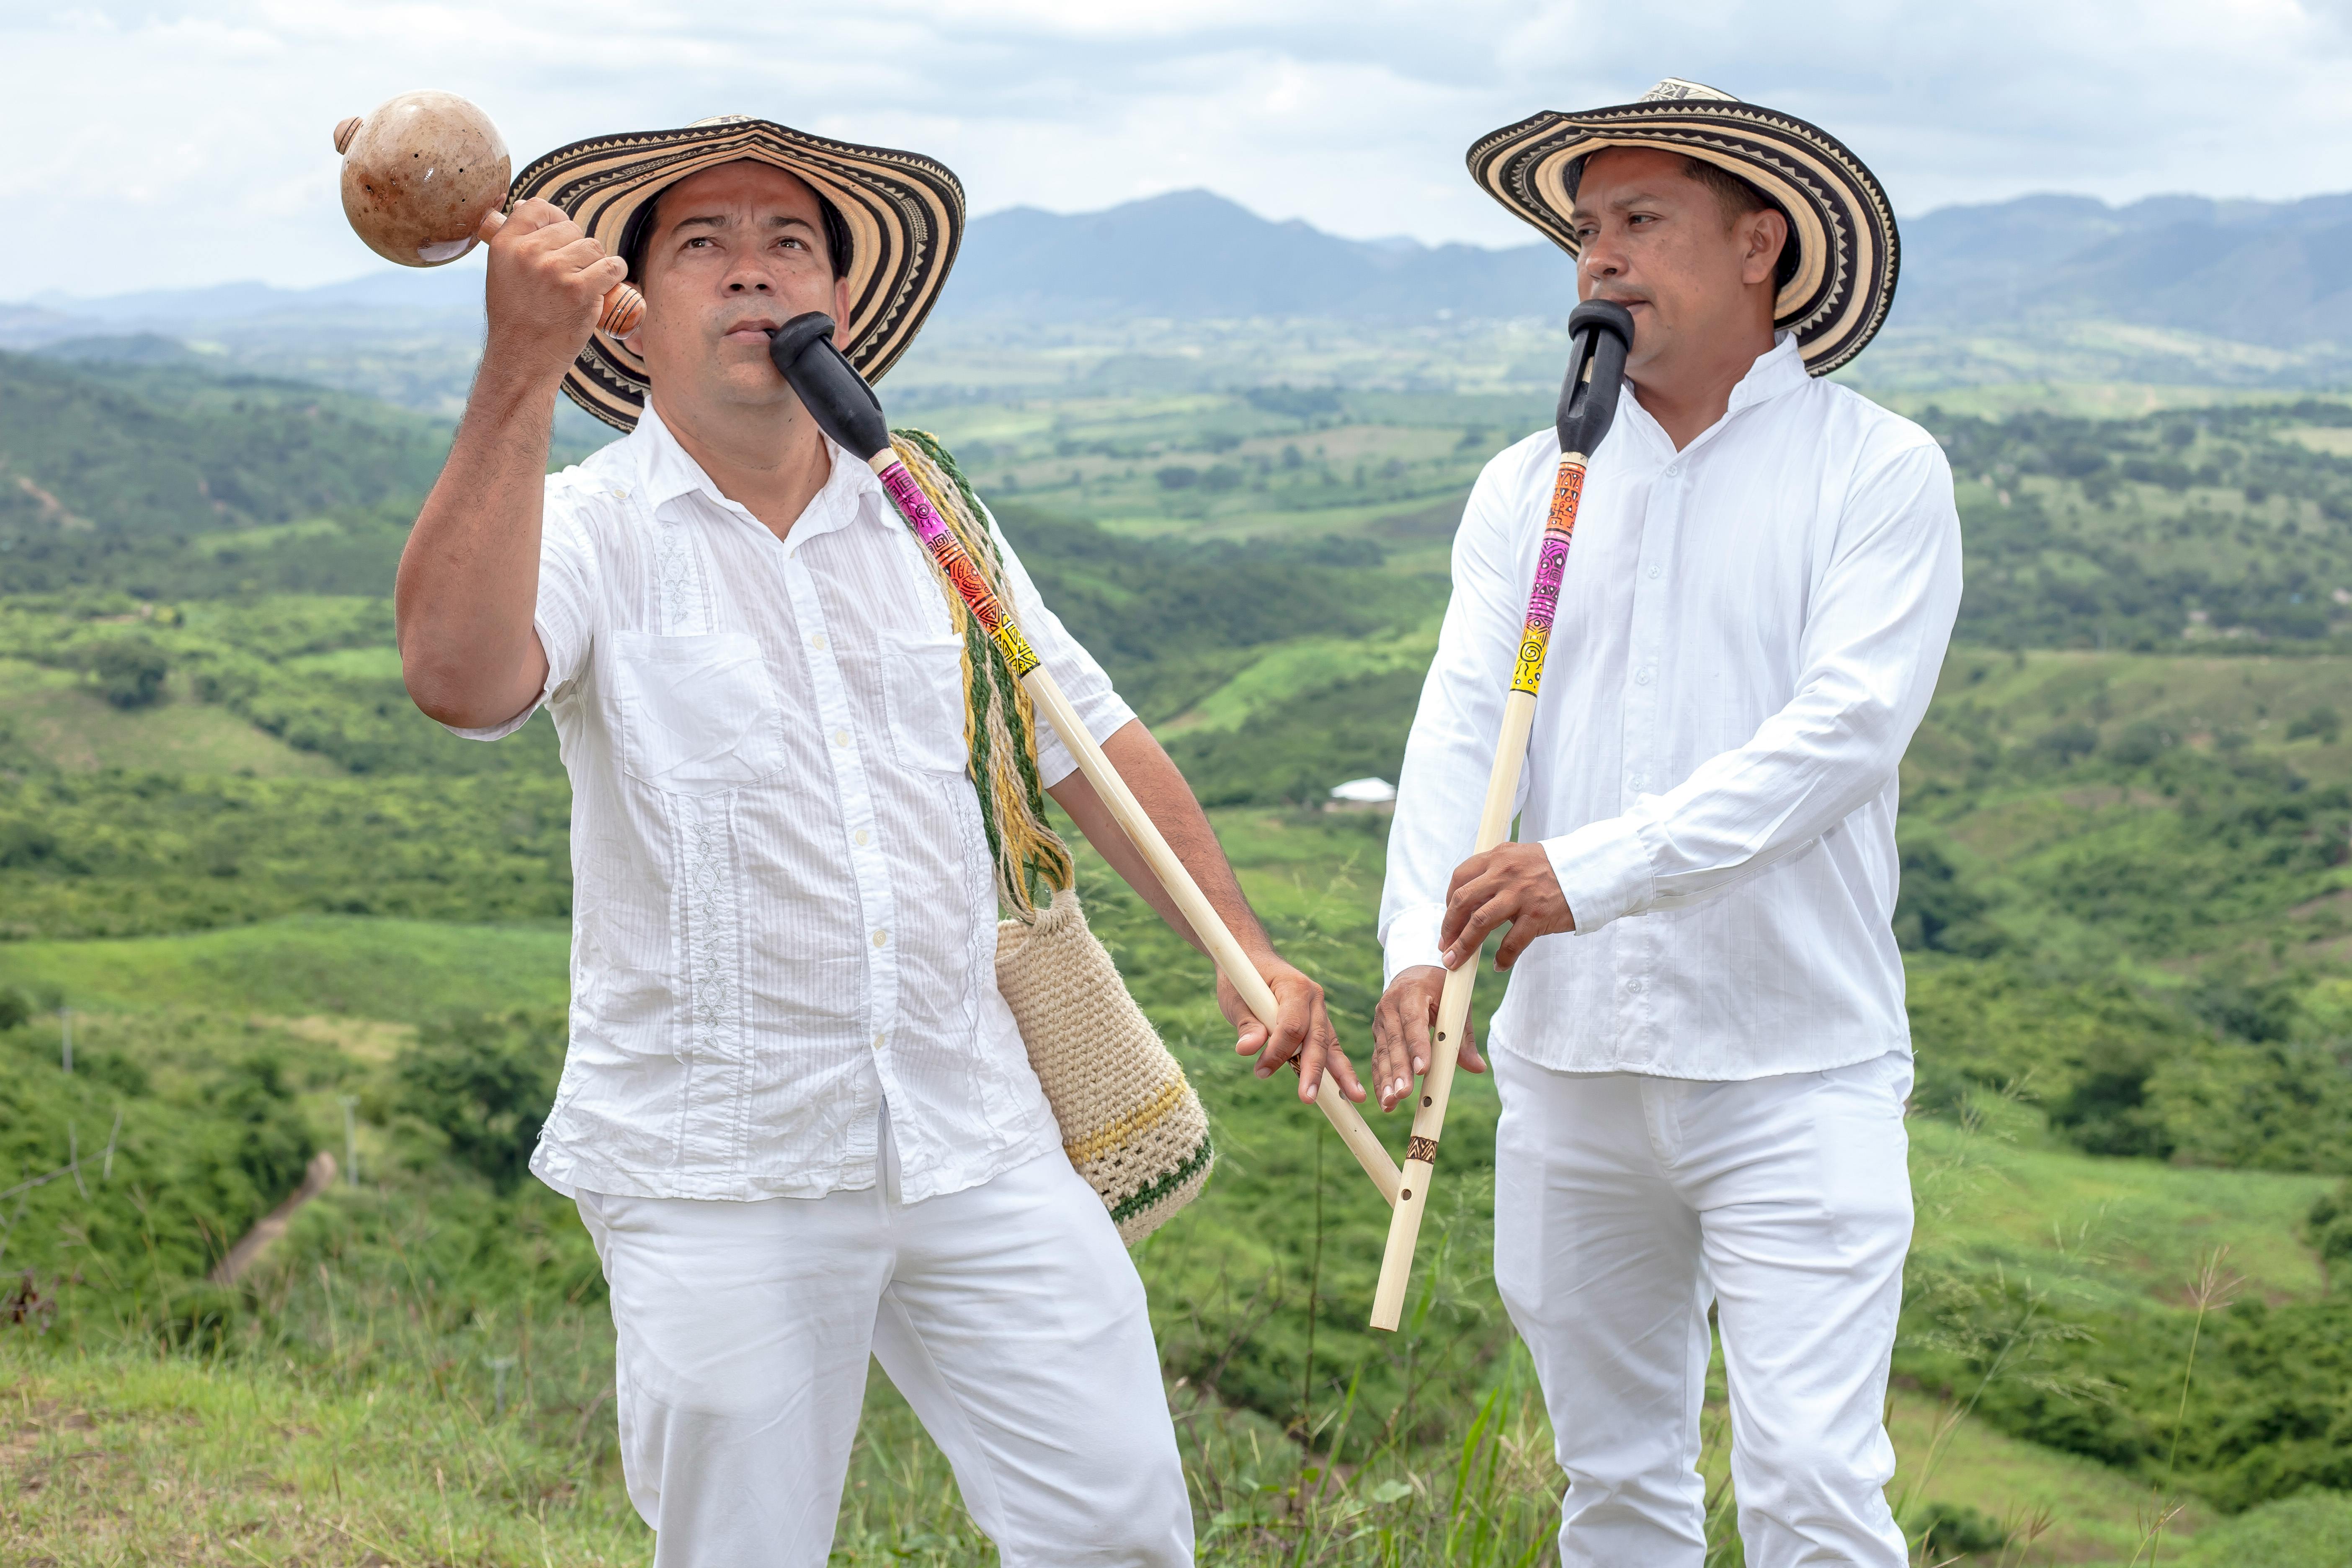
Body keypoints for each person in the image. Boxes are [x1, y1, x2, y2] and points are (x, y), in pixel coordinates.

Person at [395, 114, 1364, 1568]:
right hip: (720, 1162)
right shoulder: (588, 529)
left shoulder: (931, 513)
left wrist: (1242, 950)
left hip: (976, 1127)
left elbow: (1085, 740)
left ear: (841, 307)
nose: (757, 277)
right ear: (630, 308)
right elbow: (458, 679)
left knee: (1121, 1526)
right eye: (704, 248)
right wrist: (516, 365)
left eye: (794, 245)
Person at [1371, 81, 1960, 1566]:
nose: (1600, 260)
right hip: (1568, 1069)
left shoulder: (1877, 472)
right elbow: (1460, 733)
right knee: (1616, 1487)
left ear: (1763, 244)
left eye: (1641, 221)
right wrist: (1414, 950)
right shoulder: (1529, 484)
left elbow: (1842, 737)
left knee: (1815, 1492)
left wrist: (1591, 870)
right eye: (1586, 230)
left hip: (1794, 1061)